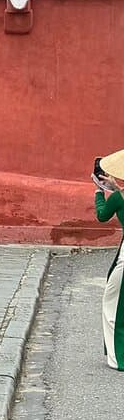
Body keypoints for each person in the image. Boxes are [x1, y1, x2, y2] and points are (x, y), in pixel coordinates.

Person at [94, 150, 124, 370]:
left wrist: (99, 192)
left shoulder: (118, 198)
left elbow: (103, 215)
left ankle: (118, 358)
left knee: (112, 304)